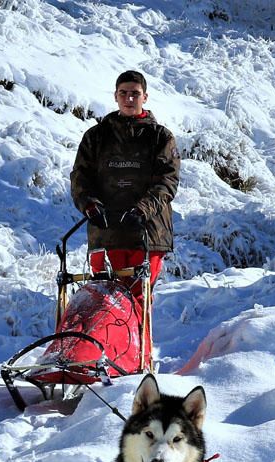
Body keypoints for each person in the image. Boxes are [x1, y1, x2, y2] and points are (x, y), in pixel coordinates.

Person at [70, 70, 180, 298]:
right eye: (124, 93)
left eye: (135, 94)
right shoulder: (96, 137)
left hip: (147, 234)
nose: (129, 99)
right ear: (115, 96)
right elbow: (80, 178)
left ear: (145, 97)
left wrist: (142, 210)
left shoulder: (161, 138)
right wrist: (89, 205)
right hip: (106, 233)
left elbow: (167, 181)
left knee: (139, 301)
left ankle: (141, 336)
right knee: (105, 300)